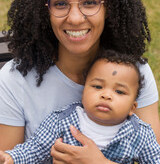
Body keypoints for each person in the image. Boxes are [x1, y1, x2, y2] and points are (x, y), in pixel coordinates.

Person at [0, 0, 159, 164]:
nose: (75, 18)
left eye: (90, 2)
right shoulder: (14, 79)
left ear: (109, 7)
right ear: (43, 9)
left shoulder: (134, 75)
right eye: (60, 4)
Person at [0, 50, 160, 164]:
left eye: (119, 91)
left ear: (132, 108)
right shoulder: (61, 120)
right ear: (83, 92)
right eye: (97, 87)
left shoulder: (140, 134)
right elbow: (35, 148)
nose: (106, 95)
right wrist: (12, 158)